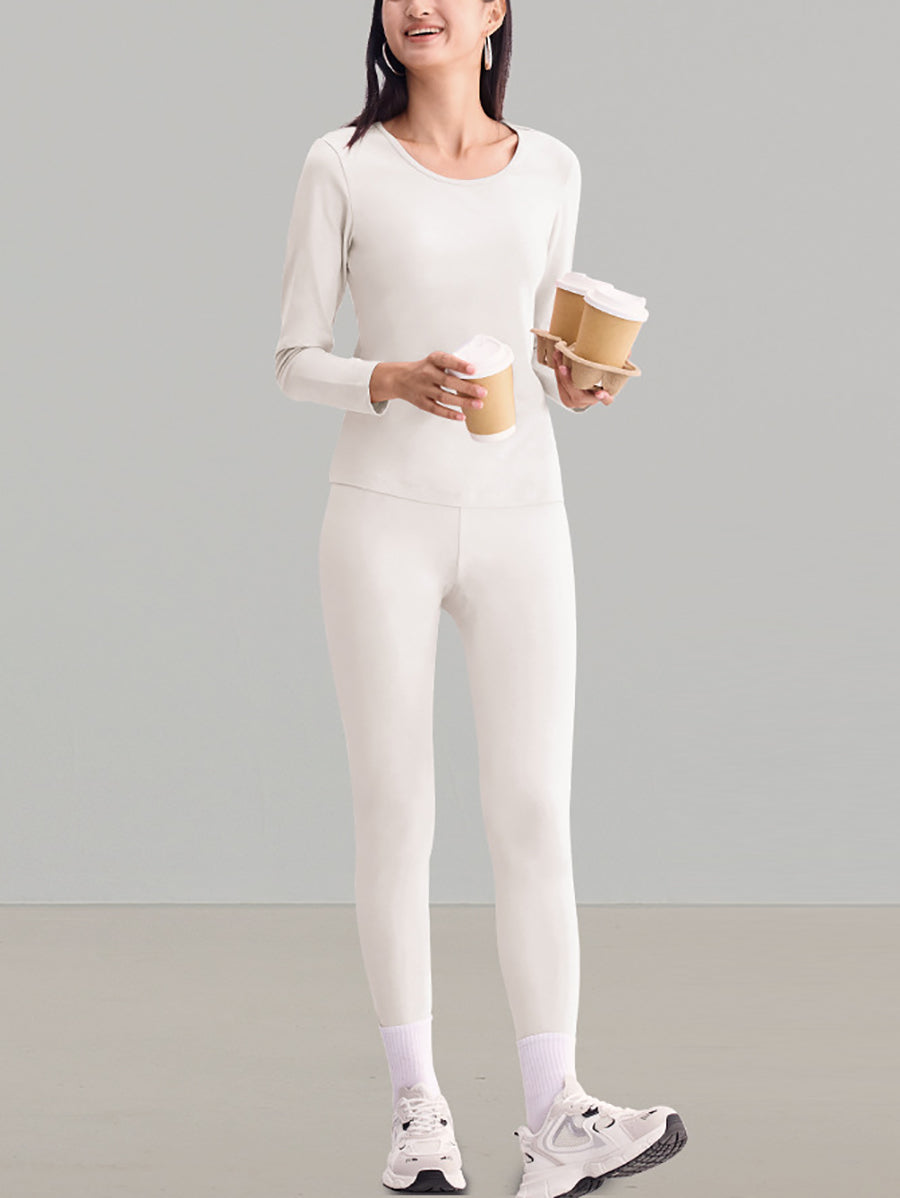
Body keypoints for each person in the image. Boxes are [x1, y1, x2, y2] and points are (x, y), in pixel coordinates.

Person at [273, 3, 687, 1195]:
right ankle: (420, 1115)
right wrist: (387, 378)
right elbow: (295, 359)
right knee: (396, 808)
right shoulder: (341, 163)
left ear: (497, 8)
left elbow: (545, 343)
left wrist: (582, 376)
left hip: (522, 516)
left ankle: (558, 1113)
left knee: (534, 811)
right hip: (381, 519)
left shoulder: (551, 166)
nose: (422, 6)